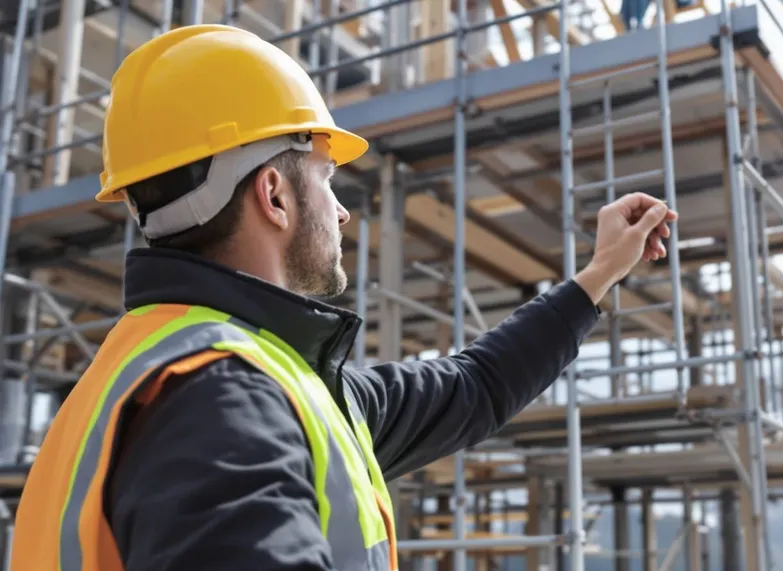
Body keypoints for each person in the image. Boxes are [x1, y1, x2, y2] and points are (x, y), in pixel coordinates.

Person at [10, 24, 679, 571]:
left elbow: (475, 386)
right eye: (328, 179)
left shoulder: (223, 375)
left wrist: (596, 278)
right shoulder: (218, 405)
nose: (343, 211)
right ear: (273, 194)